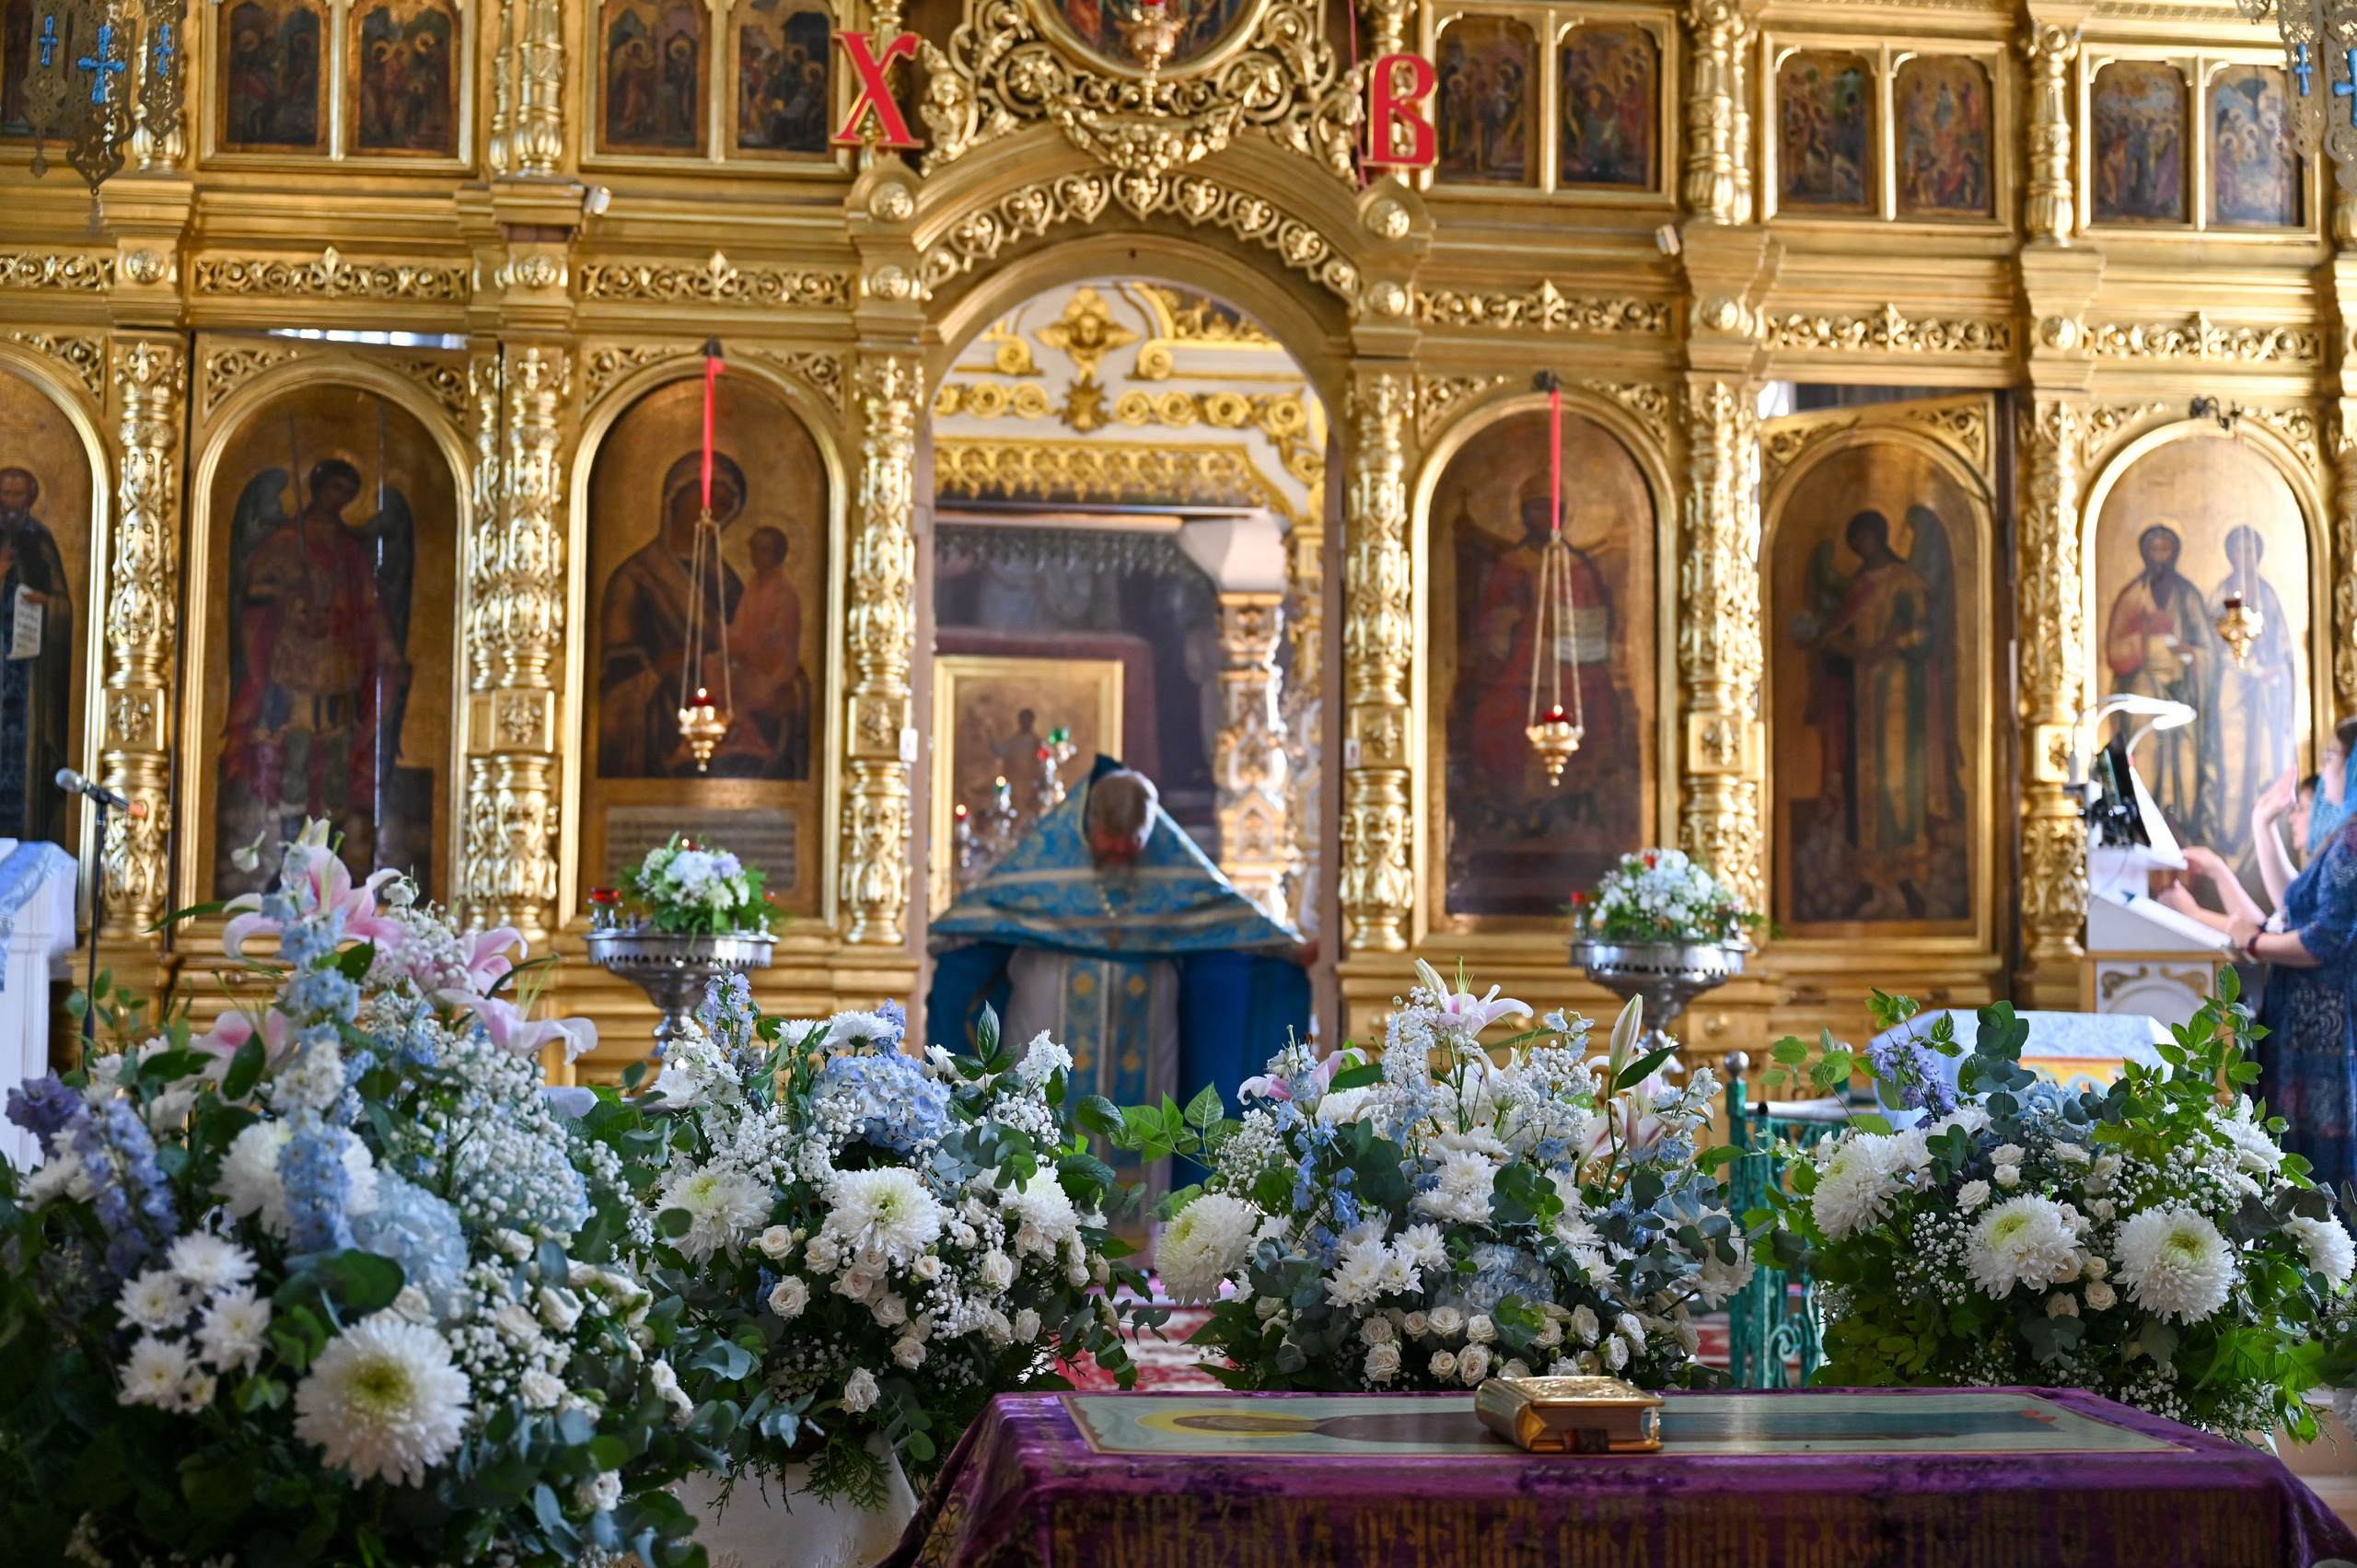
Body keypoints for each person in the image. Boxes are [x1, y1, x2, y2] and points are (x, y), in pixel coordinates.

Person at [925, 759, 1311, 1203]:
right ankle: (1030, 1227)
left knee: (1138, 1126)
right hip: (1047, 1008)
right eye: (1110, 843)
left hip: (1141, 1024)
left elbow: (1226, 916)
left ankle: (1138, 1249)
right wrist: (950, 935)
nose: (1122, 854)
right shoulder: (1045, 859)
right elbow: (988, 914)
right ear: (1089, 823)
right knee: (1040, 1112)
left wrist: (1288, 951)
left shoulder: (1170, 866)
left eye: (1133, 843)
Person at [0, 467, 71, 847]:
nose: (11, 502)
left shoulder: (40, 540)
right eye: (5, 494)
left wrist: (48, 604)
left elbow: (65, 606)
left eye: (18, 495)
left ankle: (26, 834)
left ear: (29, 498)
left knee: (25, 758)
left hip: (29, 675)